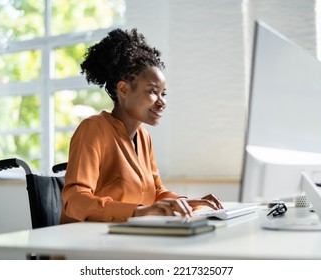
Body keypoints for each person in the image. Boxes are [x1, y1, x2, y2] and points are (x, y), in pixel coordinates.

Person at [60, 28, 223, 224]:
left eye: (164, 93)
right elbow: (75, 199)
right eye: (154, 92)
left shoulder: (143, 137)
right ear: (124, 89)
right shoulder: (93, 129)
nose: (162, 102)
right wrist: (138, 212)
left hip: (125, 239)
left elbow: (156, 193)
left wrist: (188, 203)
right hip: (83, 244)